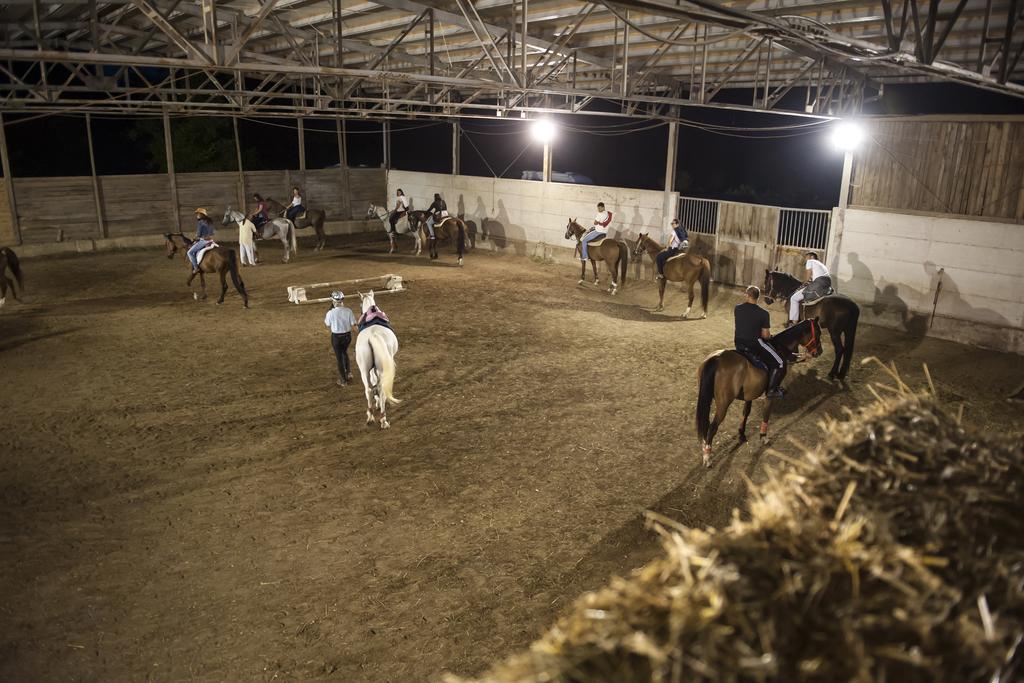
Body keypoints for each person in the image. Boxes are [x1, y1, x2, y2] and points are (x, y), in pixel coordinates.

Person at [735, 285, 786, 398]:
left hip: (739, 343)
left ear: (746, 295)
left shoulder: (737, 308)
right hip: (754, 344)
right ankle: (772, 390)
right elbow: (765, 335)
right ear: (758, 298)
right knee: (780, 362)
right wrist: (769, 337)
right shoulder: (763, 313)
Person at [789, 251, 832, 324]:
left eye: (806, 257)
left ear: (812, 257)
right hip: (828, 284)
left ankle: (793, 322)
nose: (805, 259)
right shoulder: (821, 265)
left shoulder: (810, 261)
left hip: (819, 283)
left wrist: (804, 283)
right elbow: (813, 278)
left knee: (794, 298)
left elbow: (808, 277)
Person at [325, 291, 357, 386]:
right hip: (347, 337)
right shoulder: (348, 311)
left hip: (336, 338)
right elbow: (353, 324)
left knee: (339, 358)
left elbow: (327, 324)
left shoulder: (330, 313)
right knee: (344, 352)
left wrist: (331, 310)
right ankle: (349, 373)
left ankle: (343, 380)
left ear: (333, 300)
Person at [187, 208, 216, 273]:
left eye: (198, 213)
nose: (197, 215)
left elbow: (199, 234)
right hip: (211, 240)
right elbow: (213, 233)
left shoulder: (200, 222)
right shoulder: (210, 221)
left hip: (203, 241)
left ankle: (196, 267)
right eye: (197, 213)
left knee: (189, 252)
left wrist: (194, 239)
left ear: (202, 214)